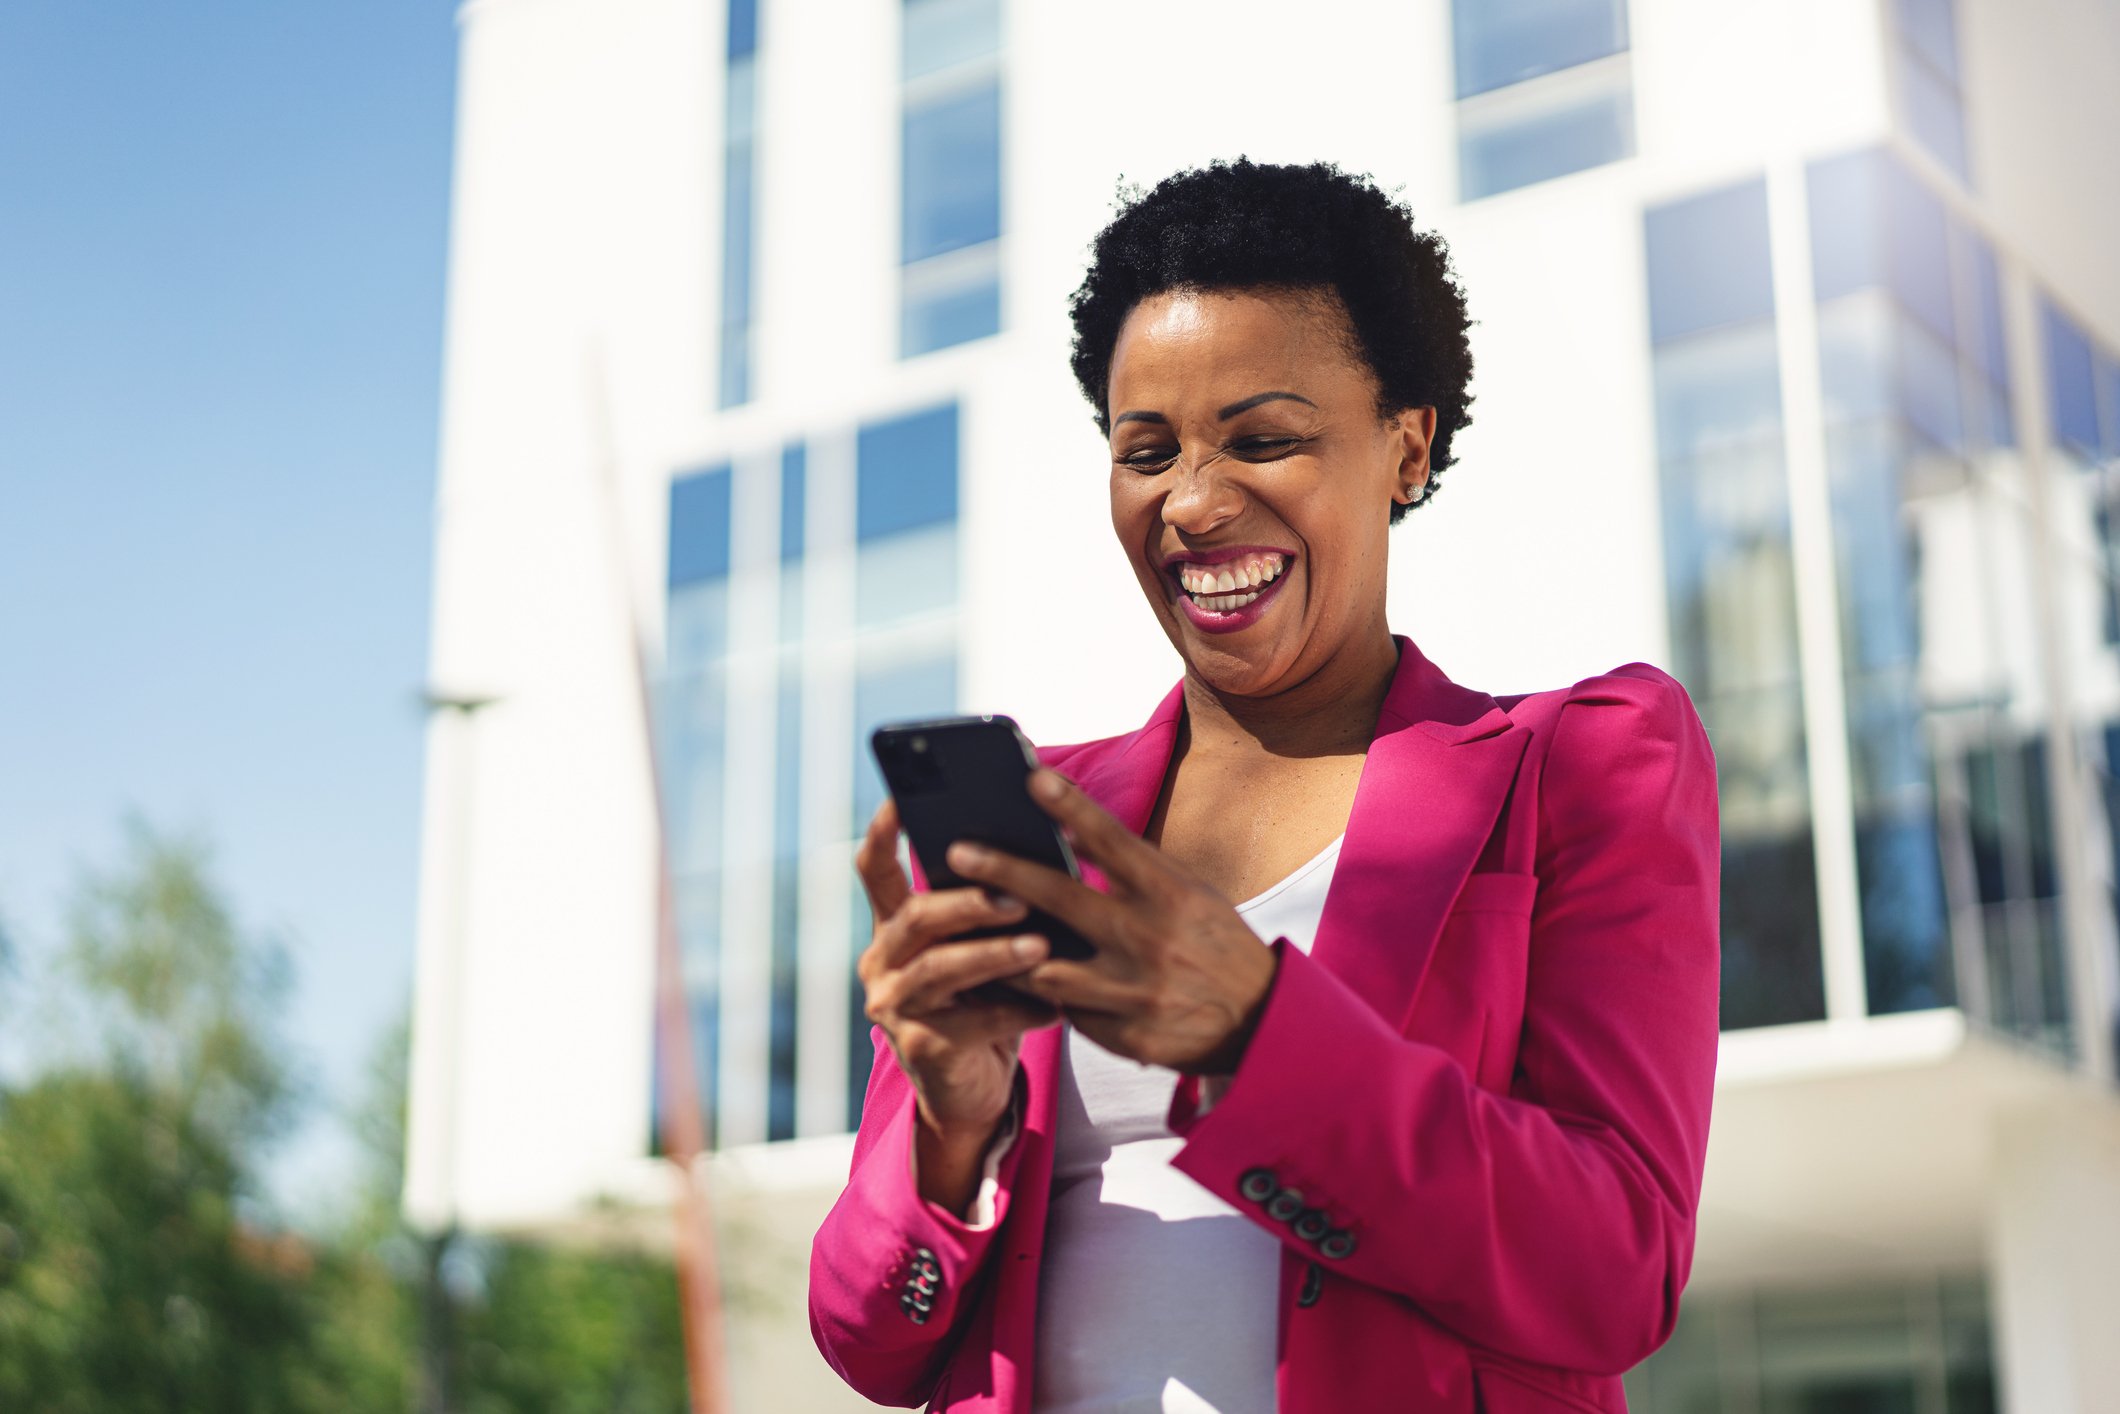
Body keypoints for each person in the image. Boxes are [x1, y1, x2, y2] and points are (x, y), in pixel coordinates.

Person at [809, 157, 1720, 1414]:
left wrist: (1255, 1034)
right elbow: (872, 1341)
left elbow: (1613, 1271)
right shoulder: (1037, 826)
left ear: (1405, 445)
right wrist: (950, 1127)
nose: (1191, 500)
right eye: (1146, 450)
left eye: (1263, 438)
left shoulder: (1576, 766)